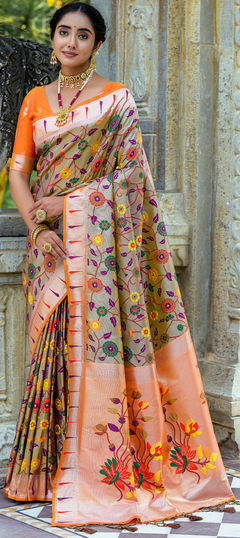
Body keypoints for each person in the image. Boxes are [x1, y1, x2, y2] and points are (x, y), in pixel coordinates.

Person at [3, 1, 234, 528]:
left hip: (98, 248)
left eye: (83, 35)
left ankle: (98, 470)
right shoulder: (35, 100)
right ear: (54, 38)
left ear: (98, 45)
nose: (70, 43)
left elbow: (132, 180)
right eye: (63, 32)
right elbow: (19, 171)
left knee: (89, 348)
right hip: (51, 248)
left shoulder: (115, 101)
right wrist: (38, 228)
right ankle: (42, 470)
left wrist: (67, 203)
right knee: (52, 354)